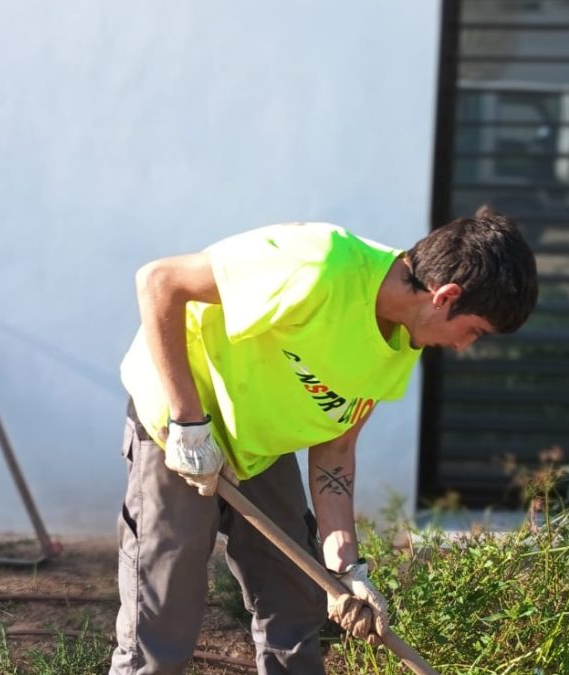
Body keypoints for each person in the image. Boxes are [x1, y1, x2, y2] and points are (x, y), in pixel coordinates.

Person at [110, 206, 538, 674]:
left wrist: (347, 570)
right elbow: (159, 282)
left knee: (295, 602)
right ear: (446, 296)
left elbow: (336, 452)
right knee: (164, 619)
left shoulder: (400, 348)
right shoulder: (318, 266)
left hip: (259, 445)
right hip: (178, 425)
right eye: (473, 330)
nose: (463, 346)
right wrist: (189, 422)